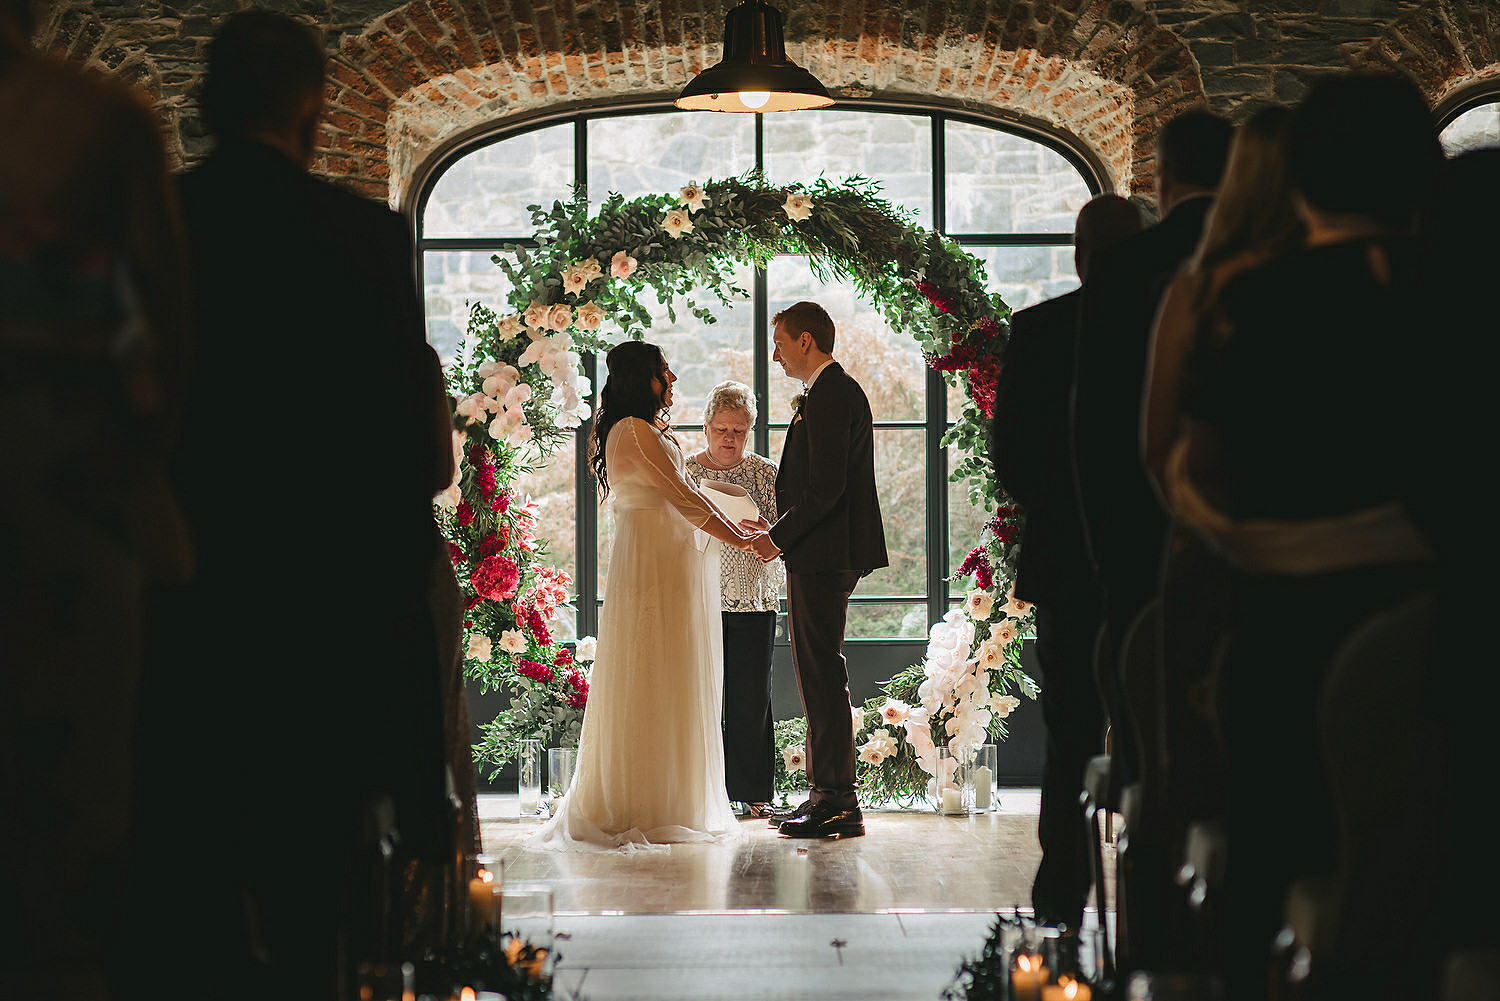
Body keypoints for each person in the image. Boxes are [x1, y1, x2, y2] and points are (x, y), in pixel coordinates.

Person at [130, 11, 453, 996]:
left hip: (181, 616)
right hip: (324, 630)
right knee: (315, 911)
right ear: (312, 109)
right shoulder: (360, 238)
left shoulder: (157, 226)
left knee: (183, 909)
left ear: (206, 101)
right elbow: (405, 469)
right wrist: (416, 747)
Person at [1169, 75, 1443, 1000]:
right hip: (1438, 619)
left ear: (1298, 180)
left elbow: (1203, 465)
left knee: (1271, 840)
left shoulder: (1249, 295)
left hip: (1282, 611)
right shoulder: (1455, 285)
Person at [2, 0, 189, 994]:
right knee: (70, 796)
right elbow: (166, 327)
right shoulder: (91, 116)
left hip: (67, 481)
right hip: (63, 480)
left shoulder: (92, 115)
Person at [530, 342, 764, 852]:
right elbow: (684, 497)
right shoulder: (633, 431)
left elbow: (686, 496)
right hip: (654, 564)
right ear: (645, 378)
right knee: (652, 671)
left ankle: (669, 796)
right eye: (663, 369)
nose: (672, 376)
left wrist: (730, 531)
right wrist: (742, 539)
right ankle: (648, 802)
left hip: (663, 556)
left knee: (664, 674)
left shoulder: (634, 429)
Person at [990, 194, 1142, 930]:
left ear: (1080, 254)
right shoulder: (1171, 322)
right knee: (1160, 727)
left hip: (1068, 560)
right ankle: (1160, 897)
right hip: (1157, 560)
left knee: (1071, 728)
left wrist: (1060, 497)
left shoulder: (1042, 328)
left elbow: (1010, 461)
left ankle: (1061, 895)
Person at [1070, 108, 1232, 794]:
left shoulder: (1123, 271)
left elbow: (1100, 427)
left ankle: (1151, 882)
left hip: (1140, 537)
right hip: (1263, 543)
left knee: (1154, 742)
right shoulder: (1269, 261)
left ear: (1161, 180)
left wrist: (1108, 546)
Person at [750, 301, 888, 840]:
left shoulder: (832, 392)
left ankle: (836, 802)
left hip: (825, 554)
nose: (777, 354)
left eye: (781, 342)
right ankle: (825, 795)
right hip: (821, 552)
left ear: (806, 341)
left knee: (821, 672)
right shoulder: (827, 392)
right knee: (817, 671)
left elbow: (826, 488)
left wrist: (776, 539)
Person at [685, 381, 784, 819]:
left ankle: (754, 791)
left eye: (738, 431)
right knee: (700, 700)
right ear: (706, 427)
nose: (729, 438)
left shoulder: (766, 472)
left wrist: (768, 532)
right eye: (721, 428)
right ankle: (701, 793)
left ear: (750, 431)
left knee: (750, 700)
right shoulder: (685, 470)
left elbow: (786, 533)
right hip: (698, 601)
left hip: (753, 600)